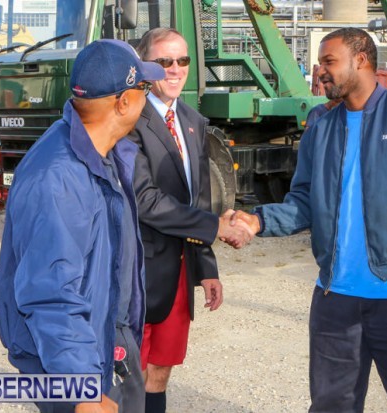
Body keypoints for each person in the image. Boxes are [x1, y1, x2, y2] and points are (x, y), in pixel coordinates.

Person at [230, 28, 387, 413]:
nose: (320, 71)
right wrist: (257, 221)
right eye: (320, 63)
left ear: (362, 60)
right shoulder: (321, 124)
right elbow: (303, 200)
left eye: (329, 61)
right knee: (331, 405)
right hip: (334, 297)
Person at [0, 39, 165, 413]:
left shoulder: (102, 154)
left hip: (105, 343)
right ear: (123, 102)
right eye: (144, 88)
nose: (149, 96)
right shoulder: (58, 176)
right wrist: (84, 393)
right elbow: (50, 293)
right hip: (78, 364)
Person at [128, 28, 251, 413]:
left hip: (179, 271)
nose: (176, 69)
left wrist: (206, 267)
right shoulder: (129, 117)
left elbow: (199, 199)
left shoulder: (193, 120)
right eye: (165, 61)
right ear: (145, 66)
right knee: (128, 376)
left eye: (182, 60)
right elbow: (144, 199)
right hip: (137, 273)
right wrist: (217, 227)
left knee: (161, 372)